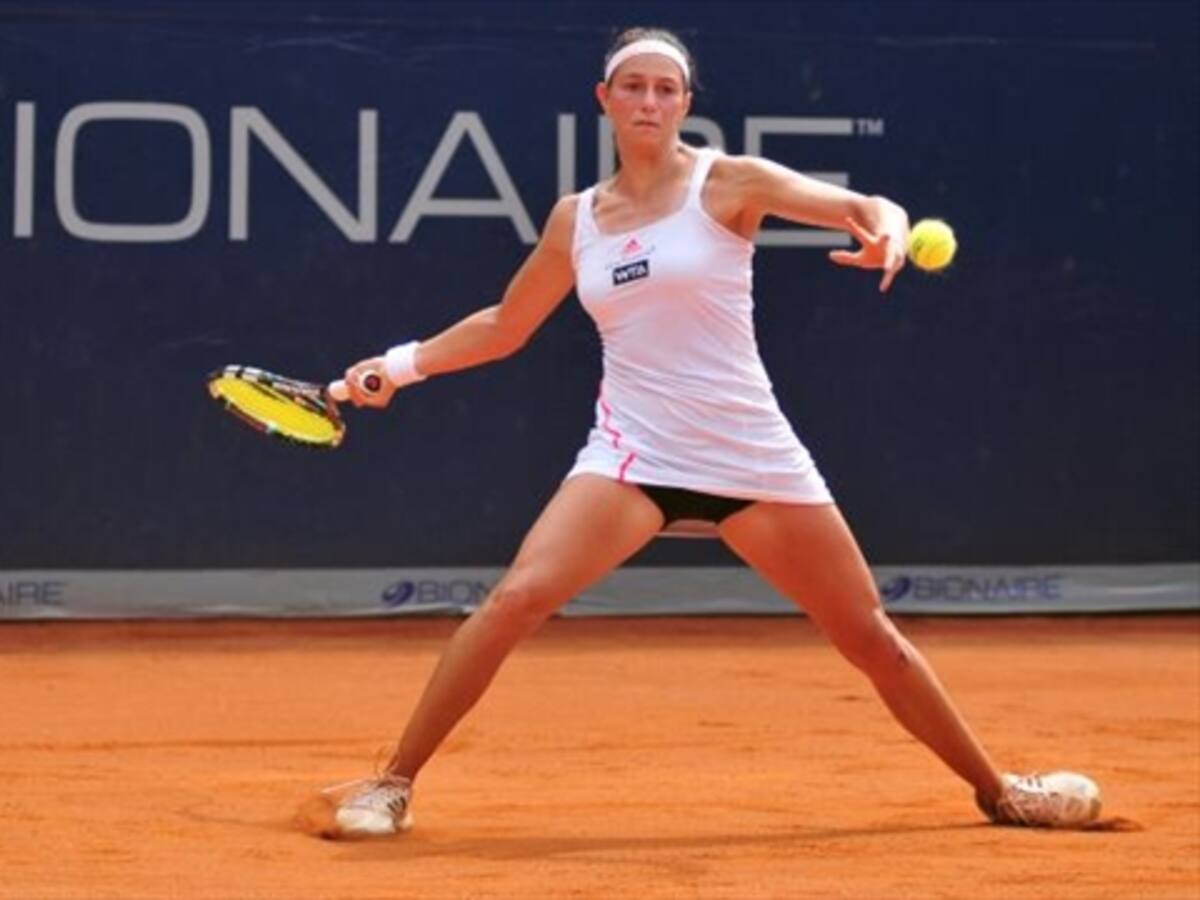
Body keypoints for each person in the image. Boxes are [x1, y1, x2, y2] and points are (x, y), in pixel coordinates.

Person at [314, 28, 1101, 838]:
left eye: (666, 89)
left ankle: (1000, 788)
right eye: (634, 87)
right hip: (632, 455)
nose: (649, 101)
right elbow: (507, 324)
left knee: (869, 637)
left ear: (686, 103)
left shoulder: (729, 184)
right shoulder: (576, 220)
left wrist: (888, 230)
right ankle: (392, 783)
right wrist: (402, 365)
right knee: (514, 600)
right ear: (606, 100)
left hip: (751, 453)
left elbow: (864, 204)